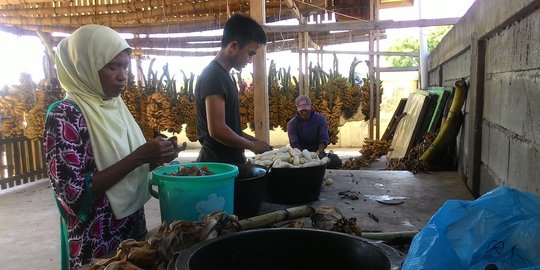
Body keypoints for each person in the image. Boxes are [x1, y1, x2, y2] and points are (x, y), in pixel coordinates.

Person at [43, 24, 177, 270]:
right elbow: (73, 193)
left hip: (130, 225)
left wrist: (157, 157)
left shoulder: (115, 105)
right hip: (95, 238)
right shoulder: (64, 115)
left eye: (125, 65)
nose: (122, 75)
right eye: (112, 66)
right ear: (85, 67)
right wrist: (139, 157)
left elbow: (124, 162)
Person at [195, 14, 272, 164]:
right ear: (233, 46)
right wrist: (252, 146)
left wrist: (254, 141)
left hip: (228, 162)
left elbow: (229, 128)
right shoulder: (214, 76)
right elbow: (217, 130)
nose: (250, 60)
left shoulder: (225, 76)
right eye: (250, 54)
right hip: (217, 166)